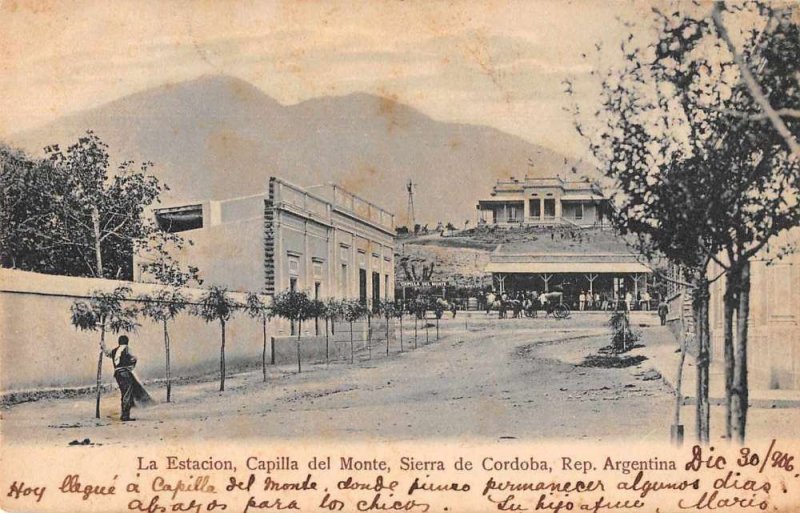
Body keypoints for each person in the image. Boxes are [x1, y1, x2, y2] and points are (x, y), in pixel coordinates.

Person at [103, 335, 153, 421]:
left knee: (124, 393)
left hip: (117, 374)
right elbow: (134, 358)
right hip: (125, 373)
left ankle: (124, 414)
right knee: (127, 394)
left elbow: (107, 353)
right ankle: (125, 416)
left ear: (119, 342)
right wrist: (131, 366)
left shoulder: (115, 350)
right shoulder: (127, 348)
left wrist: (103, 346)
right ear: (127, 342)